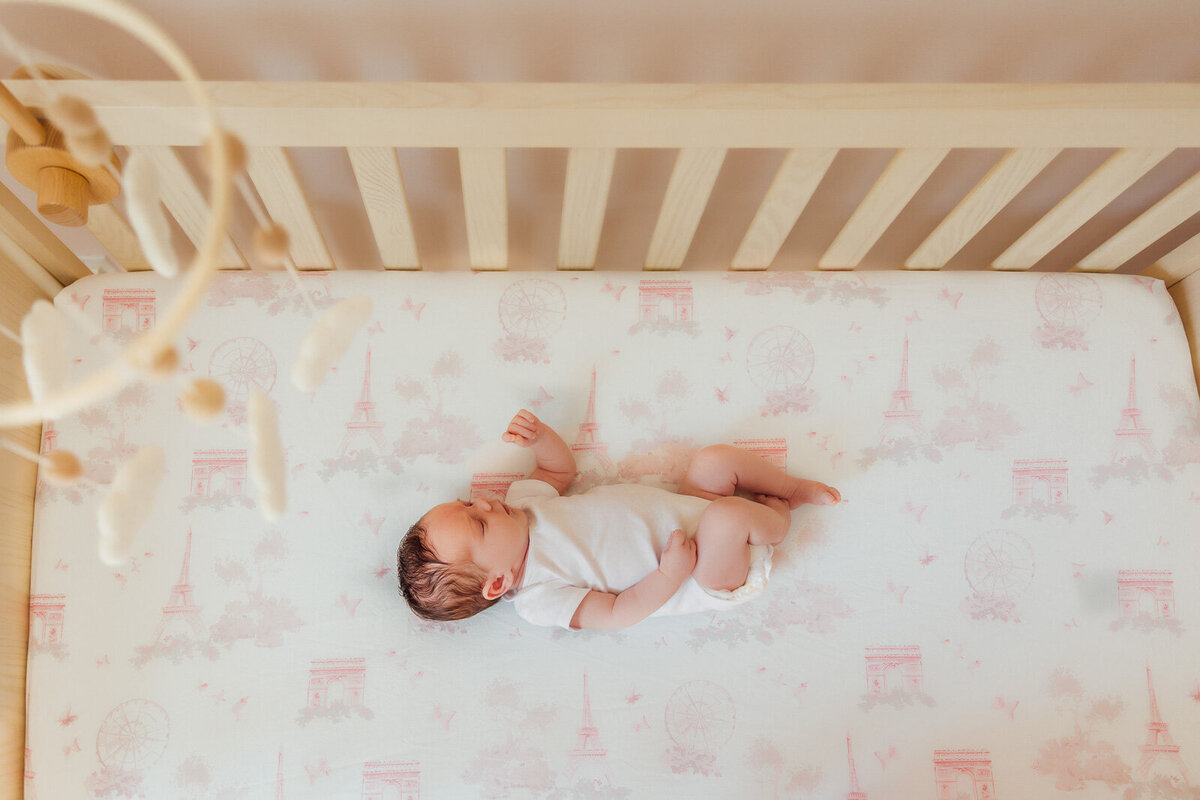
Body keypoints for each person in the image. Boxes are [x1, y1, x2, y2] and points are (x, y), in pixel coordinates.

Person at [397, 409, 841, 630]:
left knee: (713, 460)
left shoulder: (525, 502)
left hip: (689, 505)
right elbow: (616, 613)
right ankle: (778, 521)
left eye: (469, 503)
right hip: (703, 569)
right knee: (726, 519)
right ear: (496, 582)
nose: (486, 503)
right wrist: (671, 574)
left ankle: (790, 488)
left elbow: (558, 470)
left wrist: (541, 438)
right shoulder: (539, 599)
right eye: (479, 524)